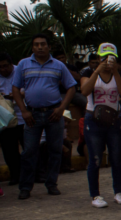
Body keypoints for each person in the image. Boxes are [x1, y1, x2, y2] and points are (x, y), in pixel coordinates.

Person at [12, 33, 77, 199]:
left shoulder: (58, 65)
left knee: (55, 150)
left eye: (43, 44)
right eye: (36, 45)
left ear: (49, 47)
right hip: (32, 114)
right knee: (29, 151)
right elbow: (15, 89)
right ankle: (25, 187)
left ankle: (52, 184)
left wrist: (62, 108)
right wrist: (24, 111)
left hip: (53, 113)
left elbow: (71, 88)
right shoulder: (23, 64)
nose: (40, 47)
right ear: (32, 47)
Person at [81, 43, 121, 208]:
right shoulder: (88, 73)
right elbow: (85, 91)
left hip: (114, 121)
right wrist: (97, 71)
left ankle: (118, 192)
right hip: (93, 120)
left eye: (111, 58)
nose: (107, 61)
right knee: (95, 159)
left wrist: (115, 71)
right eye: (104, 58)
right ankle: (95, 195)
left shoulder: (119, 74)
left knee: (116, 158)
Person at [0, 52, 23, 186]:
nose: (3, 69)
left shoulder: (20, 72)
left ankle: (34, 173)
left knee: (29, 148)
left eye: (5, 66)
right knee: (9, 150)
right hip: (6, 119)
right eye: (0, 67)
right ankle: (15, 175)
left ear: (11, 64)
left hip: (23, 115)